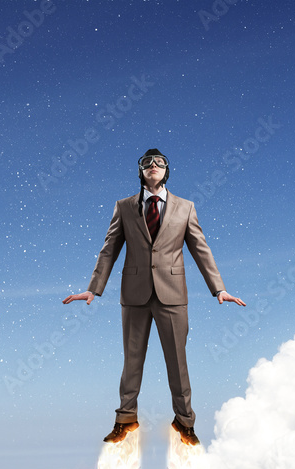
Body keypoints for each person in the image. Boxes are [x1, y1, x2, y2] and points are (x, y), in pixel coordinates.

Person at [63, 148, 245, 446]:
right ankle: (125, 419)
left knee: (177, 362)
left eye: (159, 163)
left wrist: (219, 288)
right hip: (134, 296)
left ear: (166, 170)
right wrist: (93, 288)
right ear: (141, 170)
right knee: (131, 362)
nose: (153, 166)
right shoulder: (123, 207)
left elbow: (201, 249)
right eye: (147, 163)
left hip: (173, 296)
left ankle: (185, 422)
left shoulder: (185, 207)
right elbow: (109, 249)